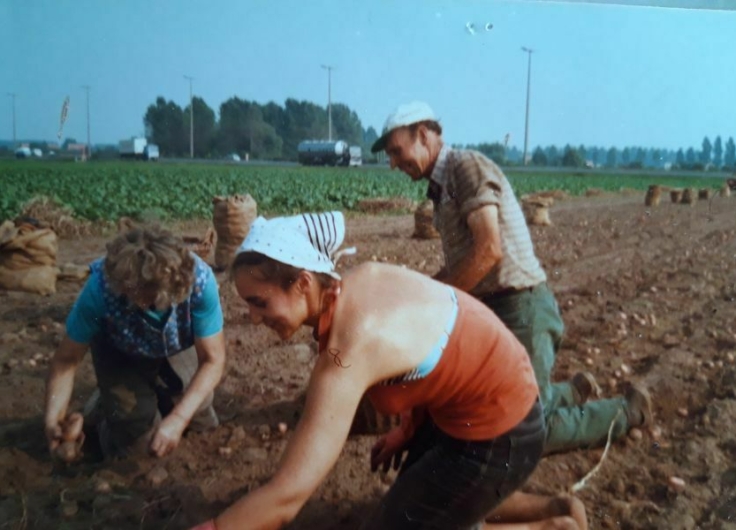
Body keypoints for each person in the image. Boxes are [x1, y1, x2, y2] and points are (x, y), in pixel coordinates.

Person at [191, 211, 587, 530]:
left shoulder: (351, 343)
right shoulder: (355, 285)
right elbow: (426, 353)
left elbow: (287, 496)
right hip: (473, 406)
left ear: (302, 282)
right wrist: (408, 429)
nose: (254, 319)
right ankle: (555, 508)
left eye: (259, 302)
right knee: (428, 502)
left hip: (504, 429)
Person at [370, 101, 652, 455]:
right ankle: (569, 393)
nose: (393, 163)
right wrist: (422, 292)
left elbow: (489, 249)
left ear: (423, 135)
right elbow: (464, 262)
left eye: (397, 151)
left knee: (528, 431)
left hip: (522, 307)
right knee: (493, 408)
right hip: (497, 309)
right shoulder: (442, 187)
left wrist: (437, 304)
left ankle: (628, 411)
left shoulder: (465, 167)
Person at [44, 225, 226, 460]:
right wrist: (52, 419)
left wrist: (179, 418)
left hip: (175, 343)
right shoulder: (100, 291)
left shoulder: (199, 282)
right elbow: (66, 360)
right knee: (137, 439)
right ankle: (105, 412)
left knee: (200, 414)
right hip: (119, 347)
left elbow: (213, 359)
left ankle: (117, 399)